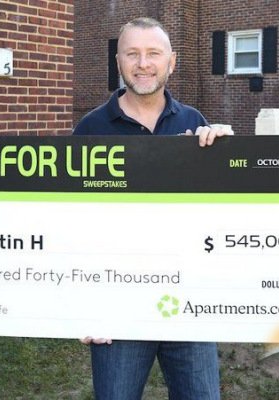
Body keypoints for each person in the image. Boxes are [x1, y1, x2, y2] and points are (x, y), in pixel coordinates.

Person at [73, 17, 230, 400]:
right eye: (132, 54)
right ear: (118, 62)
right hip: (117, 307)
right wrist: (80, 306)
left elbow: (218, 213)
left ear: (171, 62)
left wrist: (226, 156)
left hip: (189, 303)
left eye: (153, 54)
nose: (143, 63)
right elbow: (71, 223)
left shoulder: (194, 123)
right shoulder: (90, 128)